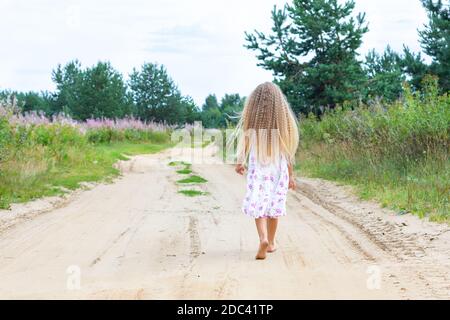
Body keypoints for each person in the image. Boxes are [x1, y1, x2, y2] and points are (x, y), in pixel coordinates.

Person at [233, 82, 299, 260]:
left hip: (258, 173)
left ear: (254, 105)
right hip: (278, 174)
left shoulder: (252, 127)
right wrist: (291, 176)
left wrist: (240, 162)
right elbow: (287, 155)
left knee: (258, 205)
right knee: (274, 208)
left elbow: (244, 146)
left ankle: (262, 238)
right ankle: (271, 242)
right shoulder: (282, 130)